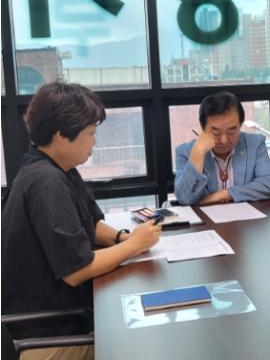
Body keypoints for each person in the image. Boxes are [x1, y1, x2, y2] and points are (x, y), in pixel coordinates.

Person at [1, 81, 161, 359]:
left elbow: (90, 224)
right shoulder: (47, 182)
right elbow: (76, 271)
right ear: (62, 136)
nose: (94, 142)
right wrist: (133, 246)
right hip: (47, 338)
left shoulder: (57, 168)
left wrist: (123, 238)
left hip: (63, 319)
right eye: (91, 133)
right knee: (145, 345)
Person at [174, 91, 270, 205]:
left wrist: (225, 194)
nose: (224, 140)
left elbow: (269, 185)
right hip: (205, 217)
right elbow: (184, 198)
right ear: (203, 129)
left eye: (231, 131)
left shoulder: (255, 144)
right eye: (216, 132)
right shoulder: (185, 151)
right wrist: (198, 153)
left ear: (240, 125)